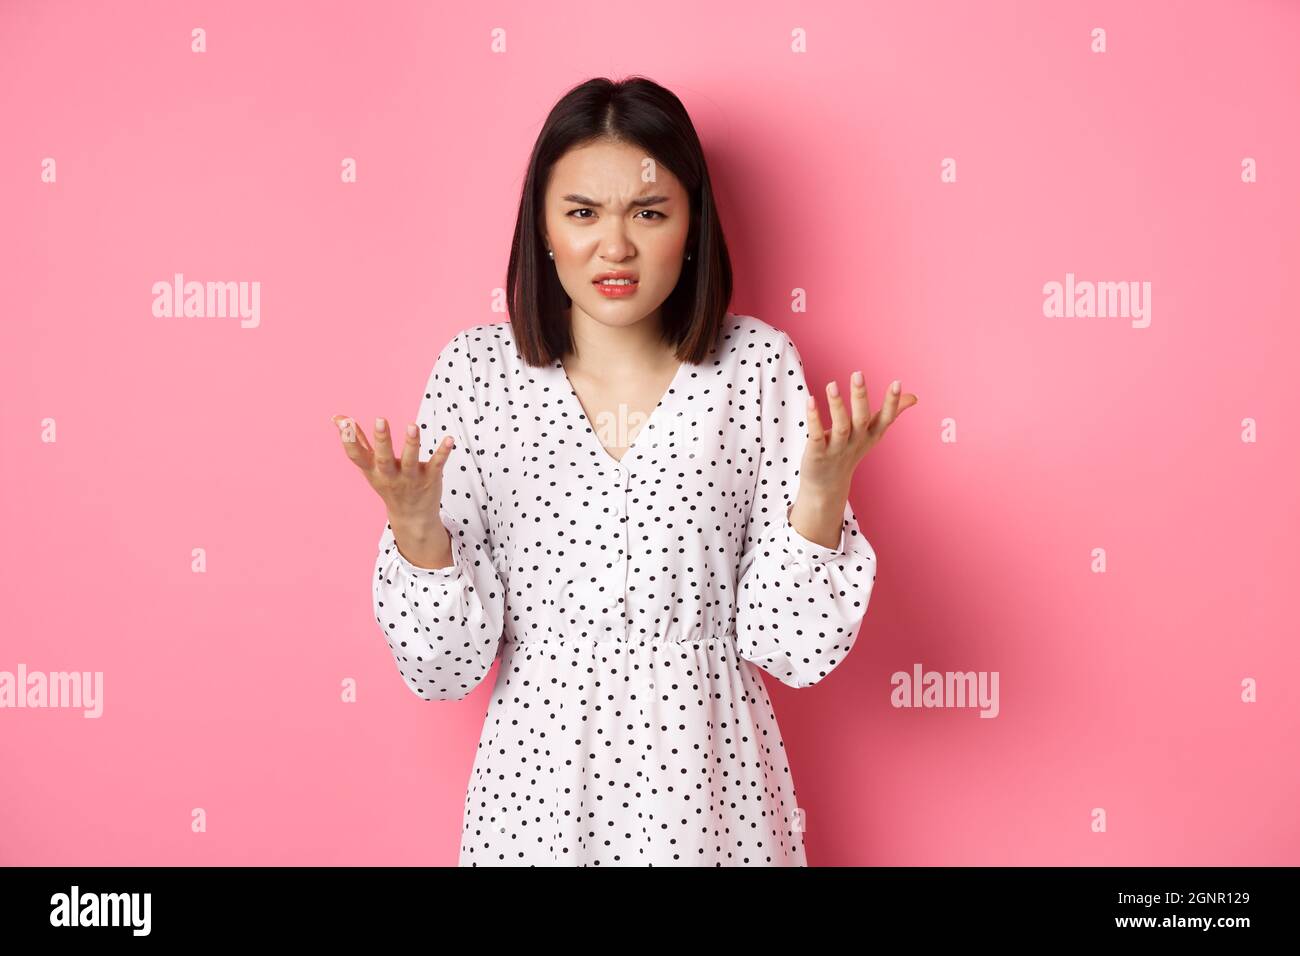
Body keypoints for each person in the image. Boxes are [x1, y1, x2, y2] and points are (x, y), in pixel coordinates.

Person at [332, 75, 917, 866]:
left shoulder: (755, 368)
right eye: (582, 213)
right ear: (541, 226)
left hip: (713, 796)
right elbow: (443, 671)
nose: (615, 247)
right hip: (534, 802)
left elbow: (790, 648)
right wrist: (414, 527)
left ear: (693, 224)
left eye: (649, 211)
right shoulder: (476, 375)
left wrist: (821, 492)